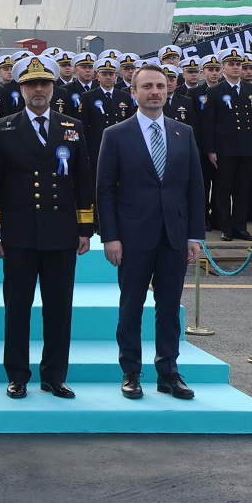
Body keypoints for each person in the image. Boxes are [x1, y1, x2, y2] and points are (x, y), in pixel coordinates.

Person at [0, 54, 93, 400]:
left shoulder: (72, 127)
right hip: (19, 234)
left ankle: (54, 376)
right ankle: (17, 375)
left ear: (53, 87)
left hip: (61, 232)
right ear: (22, 89)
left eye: (44, 83)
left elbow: (83, 180)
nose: (38, 90)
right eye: (31, 84)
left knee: (59, 309)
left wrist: (85, 228)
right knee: (17, 309)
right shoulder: (3, 128)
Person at [96, 62, 204, 402]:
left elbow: (195, 187)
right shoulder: (116, 134)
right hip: (132, 237)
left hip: (174, 235)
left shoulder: (183, 132)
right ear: (134, 92)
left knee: (169, 307)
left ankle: (168, 372)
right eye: (147, 86)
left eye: (160, 86)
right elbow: (105, 190)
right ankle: (131, 371)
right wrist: (110, 236)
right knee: (131, 306)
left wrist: (194, 235)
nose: (155, 92)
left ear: (168, 91)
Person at [199, 49, 252, 241]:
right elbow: (209, 123)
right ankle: (226, 227)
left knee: (243, 190)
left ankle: (240, 227)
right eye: (231, 64)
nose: (236, 68)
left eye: (238, 64)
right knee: (224, 189)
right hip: (225, 148)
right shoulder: (214, 91)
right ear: (223, 68)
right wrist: (211, 149)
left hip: (247, 147)